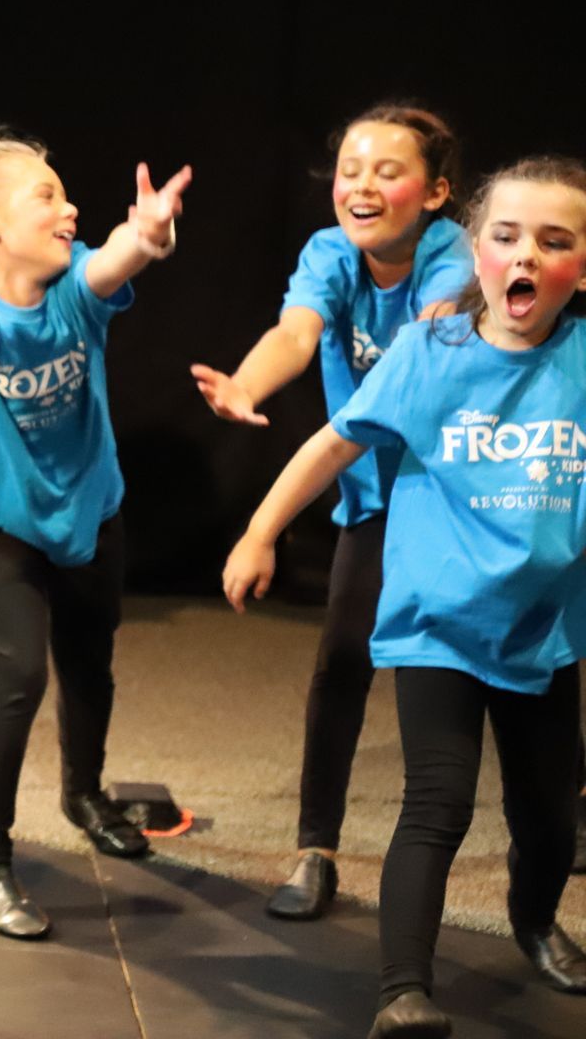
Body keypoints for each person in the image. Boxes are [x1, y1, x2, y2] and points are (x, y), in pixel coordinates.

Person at [225, 155, 586, 1037]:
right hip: (438, 625)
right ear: (476, 252)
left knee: (546, 817)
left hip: (544, 629)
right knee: (438, 800)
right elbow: (331, 447)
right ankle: (402, 993)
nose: (525, 257)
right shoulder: (431, 353)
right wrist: (259, 531)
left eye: (555, 240)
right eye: (504, 237)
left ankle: (535, 920)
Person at [0, 132, 189, 939]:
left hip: (91, 507)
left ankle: (82, 792)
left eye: (65, 196)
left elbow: (114, 259)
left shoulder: (73, 293)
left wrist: (148, 234)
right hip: (2, 522)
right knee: (18, 673)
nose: (70, 210)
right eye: (47, 198)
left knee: (91, 659)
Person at [190, 105, 468, 919]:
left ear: (437, 192)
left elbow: (421, 355)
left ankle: (564, 809)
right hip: (374, 498)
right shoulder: (330, 256)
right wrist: (245, 383)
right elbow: (296, 332)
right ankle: (316, 849)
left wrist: (267, 524)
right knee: (342, 663)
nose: (362, 186)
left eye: (389, 171)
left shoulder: (454, 258)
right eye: (351, 170)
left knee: (515, 665)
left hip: (457, 498)